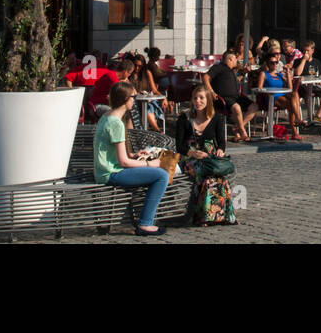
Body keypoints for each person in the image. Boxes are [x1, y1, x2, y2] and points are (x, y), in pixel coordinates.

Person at [94, 80, 168, 237]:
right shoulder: (116, 123)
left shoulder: (108, 116)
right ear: (126, 99)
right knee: (162, 175)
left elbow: (115, 153)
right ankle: (145, 223)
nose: (135, 99)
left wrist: (135, 155)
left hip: (106, 170)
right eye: (134, 96)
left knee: (157, 173)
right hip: (111, 173)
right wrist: (150, 163)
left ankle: (144, 221)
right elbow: (123, 162)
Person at [174, 84, 236, 226]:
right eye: (195, 98)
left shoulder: (216, 118)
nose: (198, 101)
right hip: (190, 157)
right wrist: (193, 153)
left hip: (209, 156)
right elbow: (180, 146)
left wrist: (220, 150)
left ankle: (218, 215)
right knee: (207, 176)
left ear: (208, 100)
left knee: (217, 175)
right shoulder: (184, 119)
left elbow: (221, 142)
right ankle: (204, 216)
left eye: (201, 98)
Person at [206, 50, 258, 142]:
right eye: (235, 59)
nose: (237, 61)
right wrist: (211, 91)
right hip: (224, 98)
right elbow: (205, 77)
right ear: (230, 59)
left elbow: (236, 80)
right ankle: (242, 132)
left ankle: (237, 128)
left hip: (236, 97)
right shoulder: (218, 67)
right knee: (237, 107)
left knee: (254, 106)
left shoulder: (231, 71)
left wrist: (243, 72)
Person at [255, 43, 303, 139]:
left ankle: (297, 121)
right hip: (271, 97)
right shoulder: (264, 74)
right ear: (267, 64)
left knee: (294, 94)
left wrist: (288, 75)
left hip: (282, 96)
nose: (275, 65)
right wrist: (267, 89)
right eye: (272, 63)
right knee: (291, 105)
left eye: (276, 62)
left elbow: (290, 88)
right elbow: (259, 88)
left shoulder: (279, 75)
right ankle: (295, 128)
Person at [130, 53, 169, 131]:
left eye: (140, 66)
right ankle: (157, 130)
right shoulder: (129, 74)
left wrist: (163, 98)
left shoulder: (147, 73)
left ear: (143, 66)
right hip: (134, 101)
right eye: (135, 65)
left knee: (148, 107)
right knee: (146, 107)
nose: (137, 68)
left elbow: (154, 90)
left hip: (146, 100)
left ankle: (156, 130)